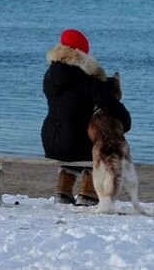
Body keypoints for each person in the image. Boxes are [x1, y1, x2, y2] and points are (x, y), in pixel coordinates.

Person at [41, 29, 131, 205]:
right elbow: (110, 105)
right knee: (101, 143)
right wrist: (126, 122)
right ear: (81, 53)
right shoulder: (85, 78)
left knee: (74, 141)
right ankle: (88, 193)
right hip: (75, 142)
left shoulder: (49, 75)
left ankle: (63, 191)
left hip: (49, 140)